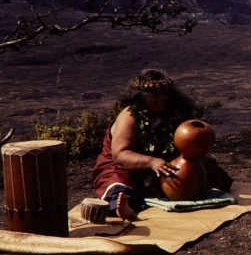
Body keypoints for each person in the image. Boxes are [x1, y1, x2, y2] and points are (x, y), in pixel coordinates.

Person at [91, 69, 232, 220]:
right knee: (119, 191)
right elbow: (120, 155)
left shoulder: (173, 112)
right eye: (155, 94)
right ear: (141, 95)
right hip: (123, 168)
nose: (162, 98)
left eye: (165, 93)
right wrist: (152, 162)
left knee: (217, 177)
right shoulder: (129, 115)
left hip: (162, 166)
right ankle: (120, 209)